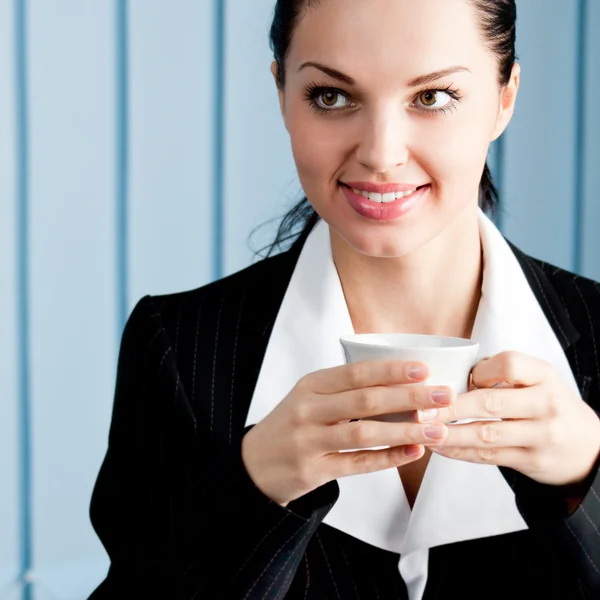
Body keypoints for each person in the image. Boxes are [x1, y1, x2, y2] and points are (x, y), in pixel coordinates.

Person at [87, 0, 600, 598]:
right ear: (282, 91)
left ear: (504, 97)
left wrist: (586, 483)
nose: (381, 154)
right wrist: (253, 491)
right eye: (331, 96)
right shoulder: (177, 345)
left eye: (432, 97)